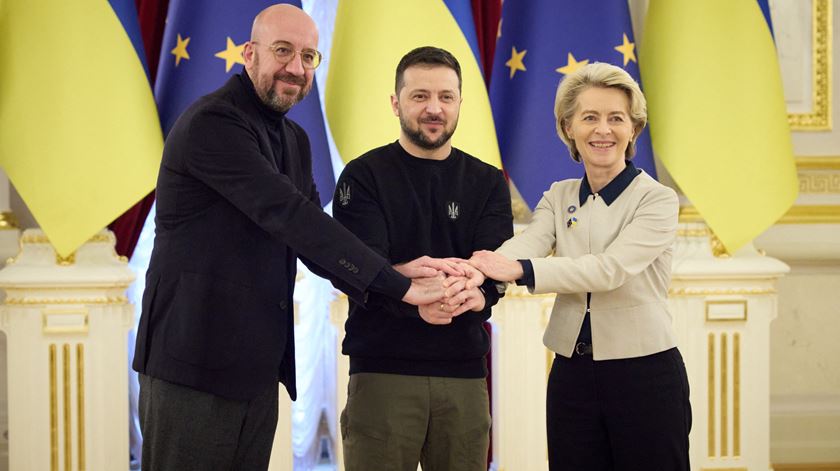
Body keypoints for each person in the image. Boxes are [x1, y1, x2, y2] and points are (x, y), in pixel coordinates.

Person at [131, 5, 459, 470]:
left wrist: (393, 272)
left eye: (309, 57)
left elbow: (315, 238)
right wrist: (400, 287)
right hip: (192, 367)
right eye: (282, 51)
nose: (296, 68)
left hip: (256, 372)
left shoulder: (294, 139)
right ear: (249, 54)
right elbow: (290, 216)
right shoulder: (213, 123)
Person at [469, 62, 691, 470]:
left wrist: (519, 269)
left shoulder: (656, 199)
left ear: (633, 129)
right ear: (568, 127)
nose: (602, 130)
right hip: (572, 373)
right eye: (589, 117)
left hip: (645, 374)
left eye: (616, 119)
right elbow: (529, 243)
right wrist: (480, 269)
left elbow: (609, 270)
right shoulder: (559, 195)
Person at [333, 46, 513, 471]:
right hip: (382, 372)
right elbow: (354, 266)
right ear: (396, 103)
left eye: (446, 97)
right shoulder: (362, 176)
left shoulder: (488, 181)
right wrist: (410, 287)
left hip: (465, 374)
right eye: (420, 96)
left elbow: (493, 269)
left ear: (459, 104)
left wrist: (474, 293)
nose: (434, 108)